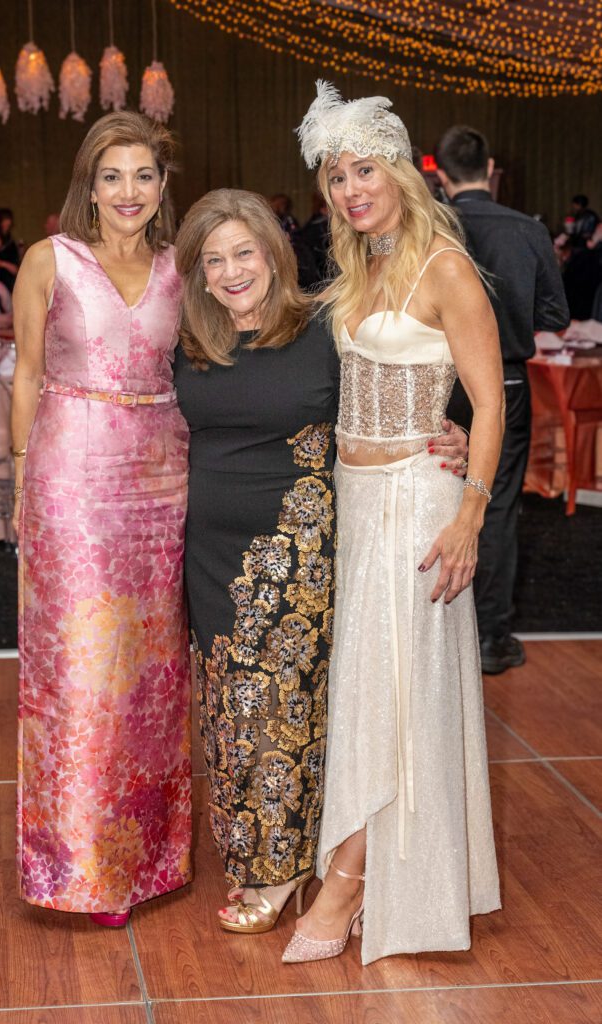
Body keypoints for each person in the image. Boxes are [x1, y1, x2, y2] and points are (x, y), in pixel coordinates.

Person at [173, 188, 469, 936]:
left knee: (287, 704)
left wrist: (447, 433)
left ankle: (285, 871)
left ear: (274, 253)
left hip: (299, 544)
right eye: (213, 259)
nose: (231, 270)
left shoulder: (324, 327)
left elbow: (394, 389)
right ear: (198, 275)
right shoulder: (189, 339)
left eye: (244, 252)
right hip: (206, 547)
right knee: (227, 710)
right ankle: (261, 855)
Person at [283, 82, 503, 966]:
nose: (349, 188)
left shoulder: (442, 266)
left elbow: (490, 404)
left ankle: (344, 883)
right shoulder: (359, 264)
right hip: (356, 500)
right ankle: (372, 870)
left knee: (402, 694)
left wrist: (471, 515)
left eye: (363, 169)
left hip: (420, 503)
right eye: (336, 176)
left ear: (402, 173)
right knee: (370, 690)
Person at [12, 110, 191, 929]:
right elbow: (24, 376)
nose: (129, 191)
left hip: (162, 479)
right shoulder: (49, 260)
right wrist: (20, 479)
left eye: (143, 175)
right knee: (84, 669)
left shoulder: (180, 267)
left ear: (162, 186)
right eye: (112, 175)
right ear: (90, 182)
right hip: (71, 479)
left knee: (153, 675)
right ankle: (80, 865)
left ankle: (149, 854)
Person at [435, 125, 569, 674]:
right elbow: (556, 316)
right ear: (490, 169)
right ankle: (491, 636)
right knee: (497, 507)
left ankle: (441, 632)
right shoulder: (525, 229)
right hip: (506, 384)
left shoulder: (434, 228)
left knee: (436, 497)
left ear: (440, 176)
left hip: (439, 382)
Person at [0, 207, 20, 293]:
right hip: (3, 275)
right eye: (6, 219)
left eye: (9, 218)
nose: (8, 221)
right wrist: (6, 265)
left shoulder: (8, 237)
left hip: (11, 275)